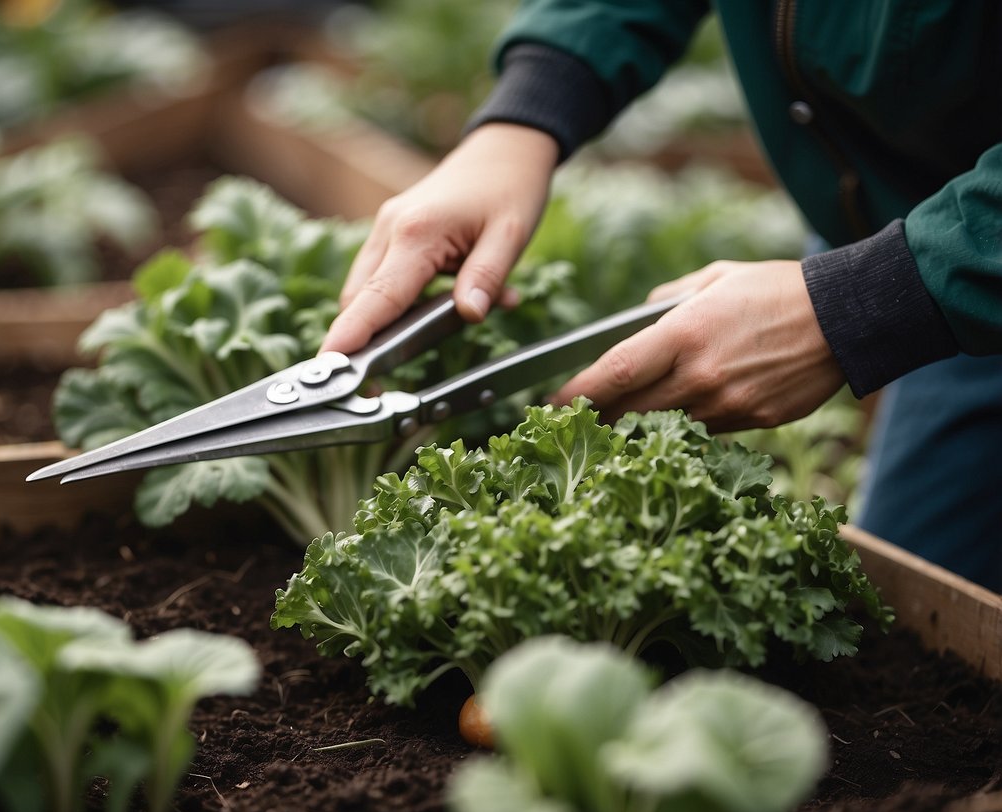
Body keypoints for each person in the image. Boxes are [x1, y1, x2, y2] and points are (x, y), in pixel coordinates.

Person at [319, 1, 1002, 590]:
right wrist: (520, 120)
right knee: (911, 608)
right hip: (899, 231)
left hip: (957, 252)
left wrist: (875, 298)